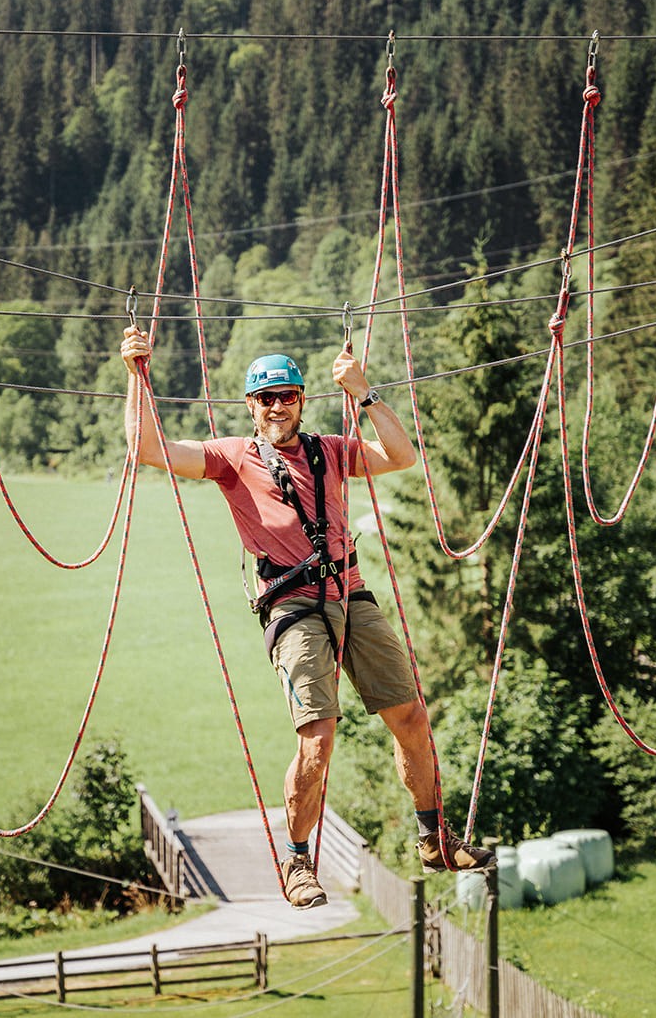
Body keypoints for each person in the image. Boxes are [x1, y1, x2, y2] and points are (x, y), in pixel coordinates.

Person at [121, 327, 495, 909]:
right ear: (250, 406)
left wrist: (364, 392)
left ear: (301, 400)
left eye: (287, 395)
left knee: (412, 719)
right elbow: (149, 450)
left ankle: (432, 838)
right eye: (265, 398)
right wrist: (137, 374)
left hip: (350, 594)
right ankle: (297, 862)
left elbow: (401, 455)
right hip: (293, 606)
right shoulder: (231, 458)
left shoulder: (331, 451)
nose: (277, 406)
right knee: (318, 739)